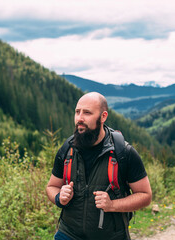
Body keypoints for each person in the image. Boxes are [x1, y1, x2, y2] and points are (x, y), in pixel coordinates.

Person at [46, 92, 152, 240]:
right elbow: (51, 186)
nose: (80, 118)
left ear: (103, 116)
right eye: (77, 112)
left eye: (87, 113)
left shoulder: (123, 153)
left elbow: (145, 196)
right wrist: (59, 197)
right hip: (68, 233)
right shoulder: (67, 149)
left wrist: (112, 205)